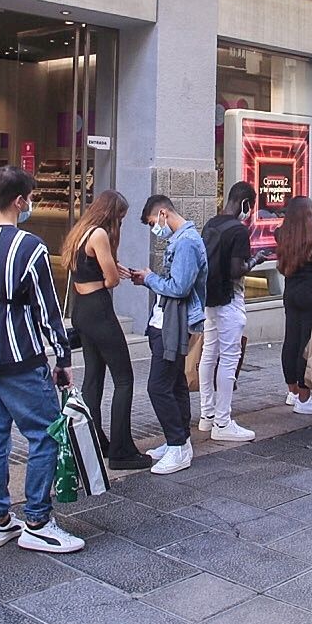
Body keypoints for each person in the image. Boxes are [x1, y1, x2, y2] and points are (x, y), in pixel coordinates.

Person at [0, 166, 84, 554]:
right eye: (28, 198)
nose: (29, 204)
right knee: (45, 433)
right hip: (20, 358)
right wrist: (62, 357)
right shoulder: (31, 247)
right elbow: (47, 310)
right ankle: (37, 521)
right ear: (18, 201)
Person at [65, 190, 152, 472]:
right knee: (124, 379)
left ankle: (93, 441)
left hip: (81, 310)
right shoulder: (100, 234)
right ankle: (122, 450)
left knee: (93, 378)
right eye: (121, 218)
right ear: (111, 214)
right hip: (99, 310)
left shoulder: (81, 231)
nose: (121, 224)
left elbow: (93, 269)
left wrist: (112, 267)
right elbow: (111, 280)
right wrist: (113, 271)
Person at [131, 195, 206, 475]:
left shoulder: (185, 242)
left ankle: (177, 445)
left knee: (158, 386)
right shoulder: (181, 239)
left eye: (153, 222)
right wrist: (147, 279)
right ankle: (179, 441)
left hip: (174, 323)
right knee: (174, 383)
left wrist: (150, 278)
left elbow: (179, 287)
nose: (155, 228)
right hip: (169, 320)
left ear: (163, 213)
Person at [198, 183, 256, 442]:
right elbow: (236, 270)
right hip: (230, 299)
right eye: (250, 207)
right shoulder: (239, 231)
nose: (249, 213)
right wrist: (256, 261)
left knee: (209, 353)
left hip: (210, 298)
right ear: (244, 203)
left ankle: (206, 415)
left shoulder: (211, 223)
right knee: (229, 358)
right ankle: (223, 421)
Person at [276, 197, 312, 416]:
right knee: (308, 345)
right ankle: (305, 397)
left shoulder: (282, 234)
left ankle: (292, 391)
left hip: (291, 292)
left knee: (290, 340)